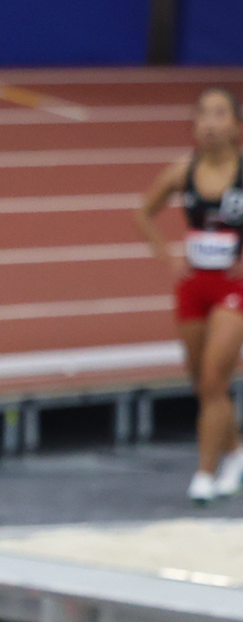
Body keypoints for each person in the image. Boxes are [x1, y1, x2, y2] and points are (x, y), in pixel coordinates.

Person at [137, 87, 243, 504]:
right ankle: (235, 451)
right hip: (194, 286)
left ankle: (204, 472)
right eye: (203, 115)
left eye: (220, 114)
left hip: (233, 289)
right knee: (202, 381)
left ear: (235, 126)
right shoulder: (184, 171)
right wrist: (168, 257)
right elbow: (142, 213)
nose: (211, 123)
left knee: (216, 376)